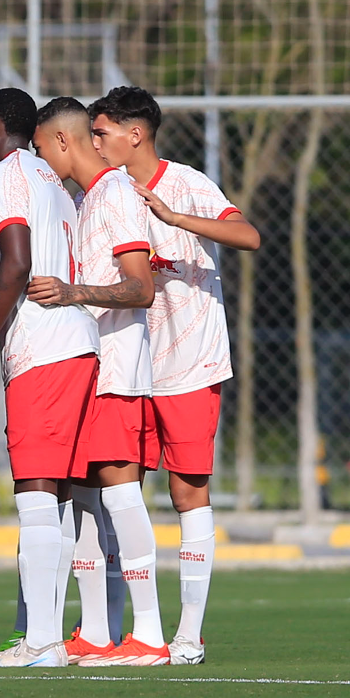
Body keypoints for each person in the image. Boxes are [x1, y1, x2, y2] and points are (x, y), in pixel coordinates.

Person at [88, 86, 260, 665]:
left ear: (134, 133)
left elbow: (248, 235)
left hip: (189, 364)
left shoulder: (186, 183)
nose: (96, 143)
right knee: (121, 493)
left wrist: (174, 217)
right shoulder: (106, 192)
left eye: (102, 132)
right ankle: (127, 630)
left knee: (188, 492)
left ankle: (188, 634)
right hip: (131, 362)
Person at [29, 96, 168, 667]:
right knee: (86, 498)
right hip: (89, 368)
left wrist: (73, 292)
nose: (40, 161)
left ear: (64, 141)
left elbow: (141, 288)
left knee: (121, 493)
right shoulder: (85, 200)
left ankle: (153, 635)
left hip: (118, 371)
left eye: (41, 148)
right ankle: (94, 631)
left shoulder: (114, 195)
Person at [0, 88, 100, 668]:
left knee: (38, 495)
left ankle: (42, 641)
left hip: (43, 351)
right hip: (76, 347)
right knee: (59, 498)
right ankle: (44, 637)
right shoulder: (52, 183)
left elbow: (15, 261)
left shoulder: (7, 175)